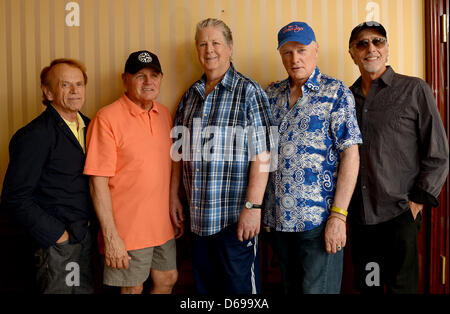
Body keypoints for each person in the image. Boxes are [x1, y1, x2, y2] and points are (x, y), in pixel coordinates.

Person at [171, 18, 273, 294]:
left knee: (240, 292)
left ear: (229, 48)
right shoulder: (189, 97)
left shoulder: (248, 92)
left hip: (236, 220)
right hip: (199, 219)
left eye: (216, 43)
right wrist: (173, 197)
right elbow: (178, 155)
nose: (209, 50)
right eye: (202, 44)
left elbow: (264, 155)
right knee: (206, 291)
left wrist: (253, 207)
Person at [347, 21, 449, 293]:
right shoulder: (345, 98)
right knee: (369, 285)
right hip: (360, 219)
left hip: (399, 217)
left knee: (400, 288)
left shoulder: (414, 90)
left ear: (387, 48)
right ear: (352, 53)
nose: (371, 48)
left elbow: (438, 153)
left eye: (378, 41)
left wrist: (414, 205)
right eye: (362, 43)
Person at [263, 21, 362, 294]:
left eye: (302, 50)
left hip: (318, 223)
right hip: (278, 221)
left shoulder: (336, 92)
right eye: (287, 52)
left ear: (315, 50)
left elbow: (351, 155)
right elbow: (261, 153)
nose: (295, 59)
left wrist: (338, 217)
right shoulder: (271, 95)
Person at [84, 50, 180, 294]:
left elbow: (170, 163)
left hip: (161, 224)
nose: (148, 82)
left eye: (154, 75)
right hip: (127, 228)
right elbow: (98, 182)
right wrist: (111, 236)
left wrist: (173, 200)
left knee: (168, 278)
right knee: (132, 289)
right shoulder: (106, 118)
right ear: (124, 79)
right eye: (139, 76)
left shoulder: (164, 114)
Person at [1, 58, 96, 294]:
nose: (75, 91)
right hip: (57, 244)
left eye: (79, 84)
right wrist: (58, 236)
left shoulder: (92, 126)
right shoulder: (35, 135)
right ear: (48, 92)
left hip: (86, 238)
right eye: (65, 85)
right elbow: (14, 198)